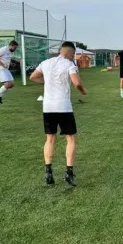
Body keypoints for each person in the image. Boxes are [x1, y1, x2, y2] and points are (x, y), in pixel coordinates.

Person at [29, 41, 88, 187]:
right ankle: (69, 172)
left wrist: (48, 82)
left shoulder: (46, 62)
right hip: (63, 107)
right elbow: (77, 83)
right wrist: (83, 91)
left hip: (48, 107)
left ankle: (48, 171)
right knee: (71, 139)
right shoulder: (69, 64)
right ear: (70, 53)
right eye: (73, 54)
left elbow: (33, 77)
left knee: (50, 139)